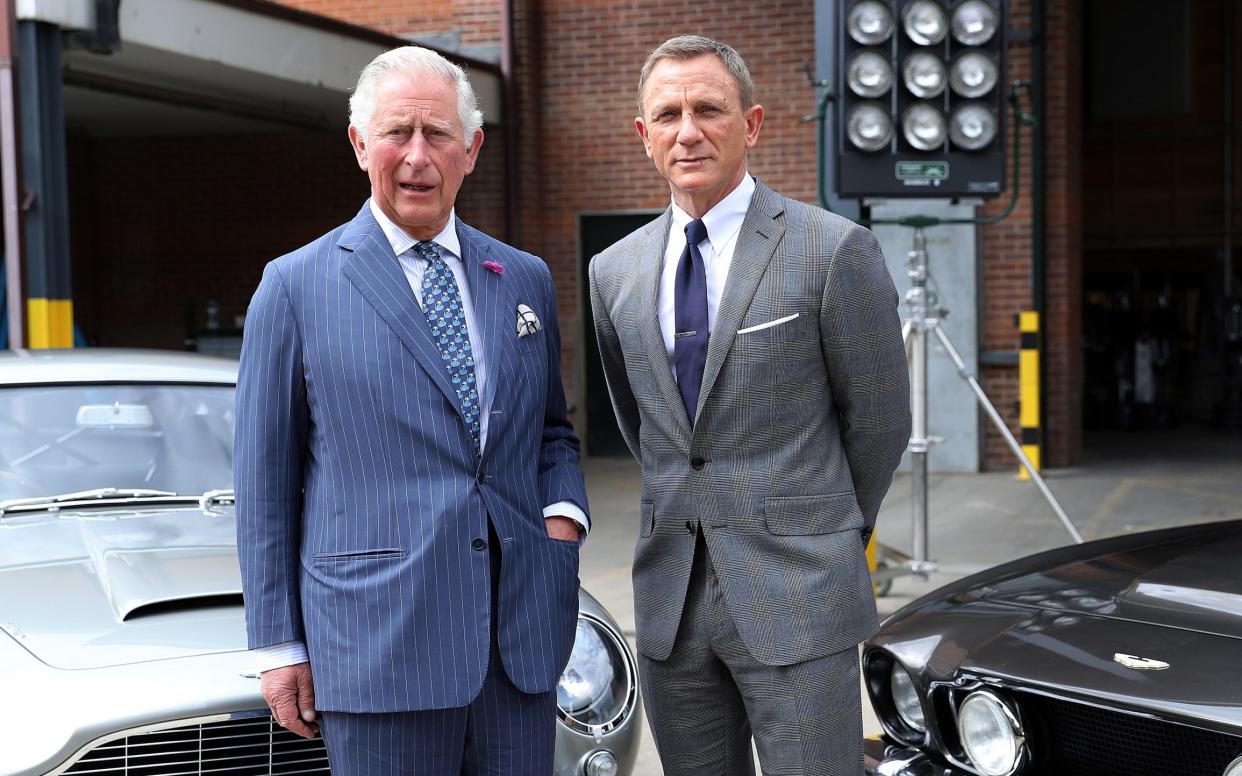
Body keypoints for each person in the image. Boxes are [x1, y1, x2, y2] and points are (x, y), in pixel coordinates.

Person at [234, 45, 589, 775]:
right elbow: (265, 486)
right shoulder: (294, 287)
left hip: (516, 648)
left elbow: (552, 430)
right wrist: (278, 646)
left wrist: (562, 521)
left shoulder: (522, 277)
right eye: (398, 132)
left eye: (438, 134)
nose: (417, 155)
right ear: (361, 144)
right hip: (377, 653)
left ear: (472, 149)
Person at [589, 35, 910, 775]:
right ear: (644, 136)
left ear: (752, 123)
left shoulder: (832, 251)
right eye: (667, 114)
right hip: (671, 600)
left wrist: (820, 528)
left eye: (709, 109)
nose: (688, 130)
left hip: (798, 593)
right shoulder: (615, 272)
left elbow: (881, 423)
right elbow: (651, 430)